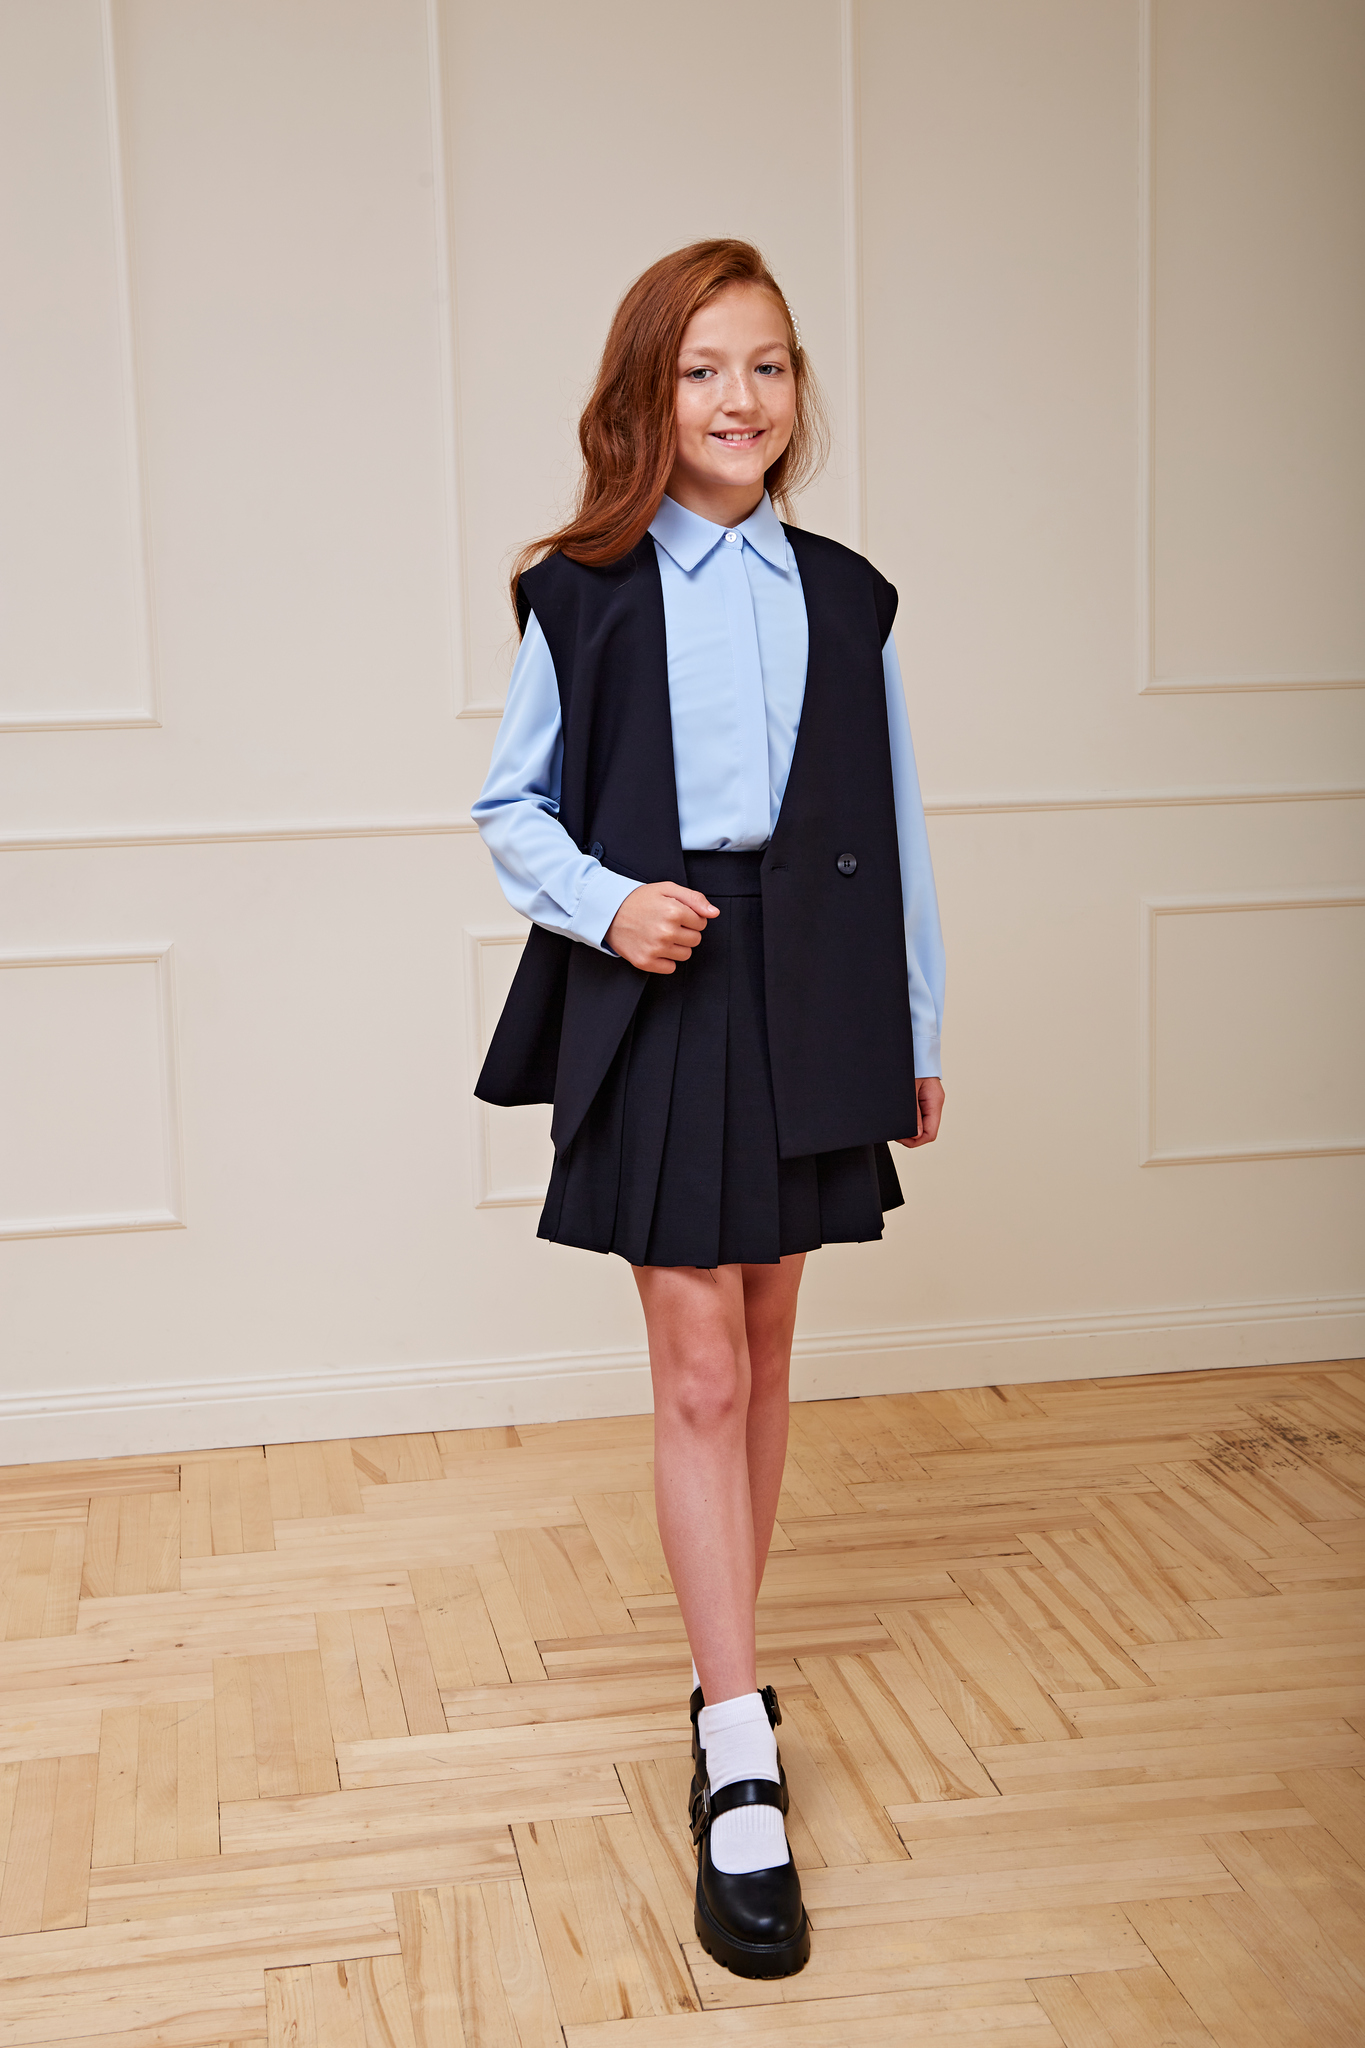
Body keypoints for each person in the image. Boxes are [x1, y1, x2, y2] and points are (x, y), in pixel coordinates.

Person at [472, 239, 945, 1980]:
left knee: (763, 1341)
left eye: (767, 366)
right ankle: (739, 1747)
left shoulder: (847, 593)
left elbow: (893, 819)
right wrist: (610, 905)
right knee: (695, 1369)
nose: (740, 400)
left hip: (816, 992)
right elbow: (508, 805)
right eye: (701, 370)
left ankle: (712, 1665)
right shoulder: (580, 593)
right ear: (645, 397)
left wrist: (915, 1023)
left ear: (794, 390)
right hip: (664, 988)